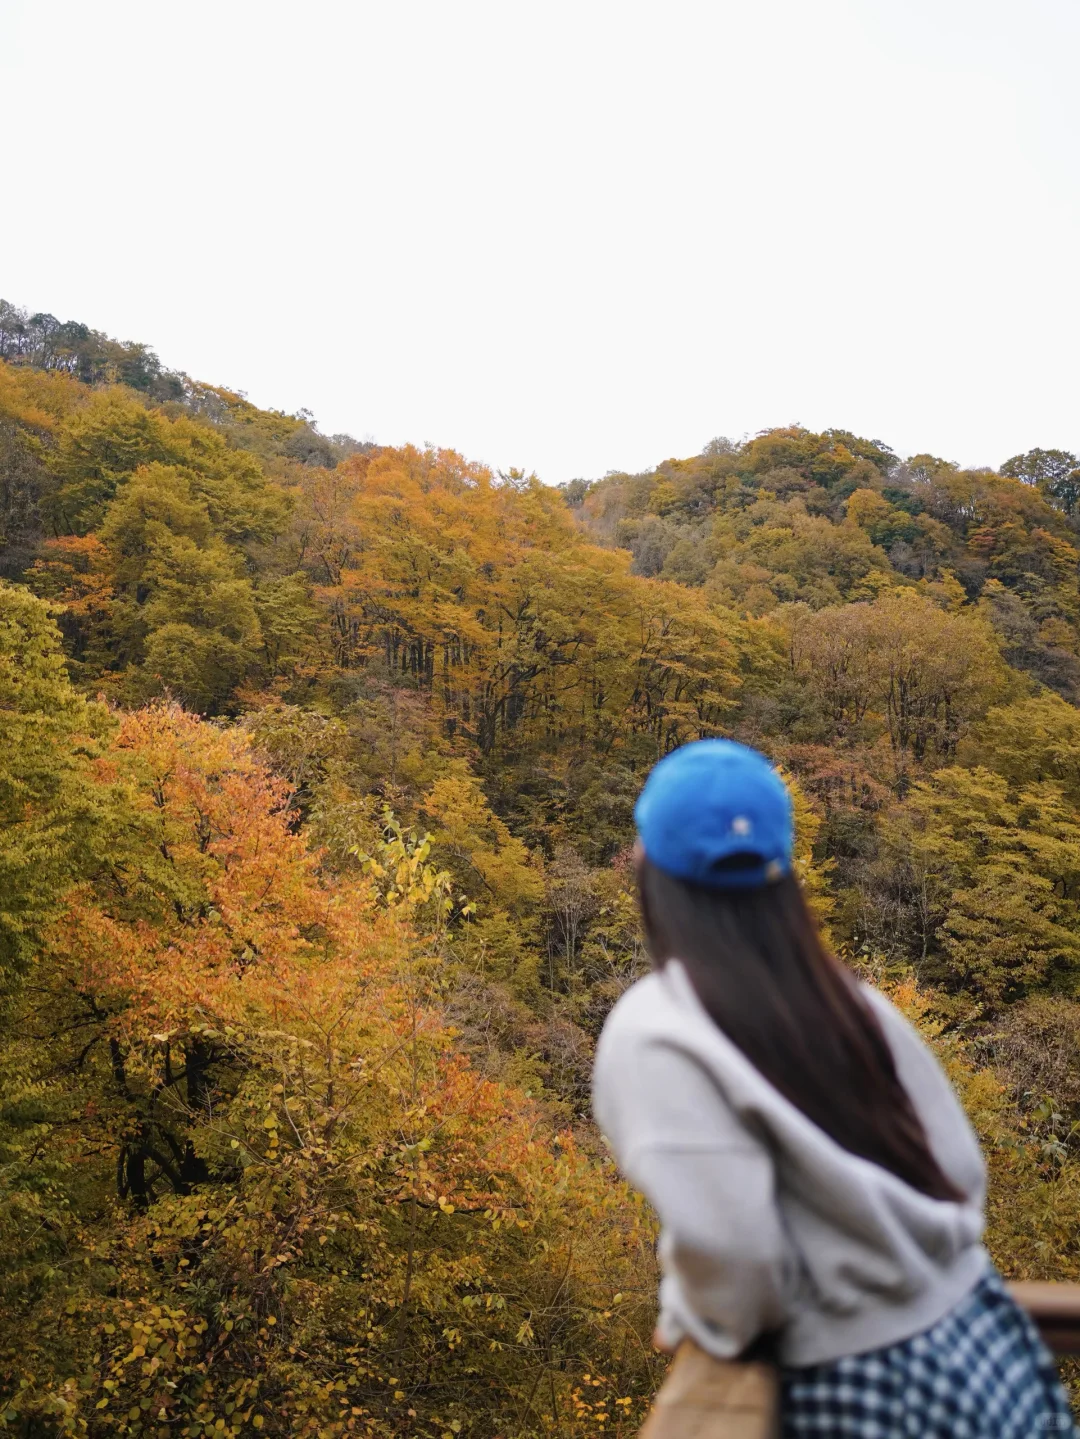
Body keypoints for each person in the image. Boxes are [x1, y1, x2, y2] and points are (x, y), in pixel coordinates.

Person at [592, 739, 1075, 1438]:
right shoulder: (847, 999)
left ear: (648, 867)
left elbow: (736, 1257)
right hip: (984, 1344)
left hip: (858, 1382)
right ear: (784, 870)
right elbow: (963, 1171)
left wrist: (698, 1315)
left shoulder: (655, 1027)